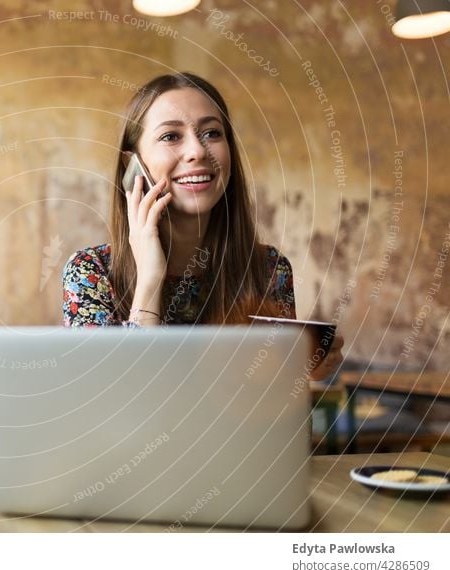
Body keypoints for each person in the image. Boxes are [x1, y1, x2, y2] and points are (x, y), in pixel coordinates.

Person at [61, 72, 343, 381]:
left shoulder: (268, 270)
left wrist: (300, 373)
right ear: (133, 165)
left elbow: (268, 414)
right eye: (171, 136)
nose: (197, 151)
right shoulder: (91, 273)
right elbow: (113, 403)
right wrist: (150, 280)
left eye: (211, 133)